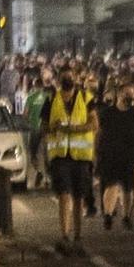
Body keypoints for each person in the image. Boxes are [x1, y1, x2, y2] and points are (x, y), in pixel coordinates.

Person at [44, 68, 97, 256]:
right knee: (64, 195)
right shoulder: (51, 99)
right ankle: (64, 235)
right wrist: (53, 127)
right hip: (60, 156)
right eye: (65, 76)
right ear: (59, 80)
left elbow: (94, 124)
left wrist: (75, 128)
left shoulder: (85, 97)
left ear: (76, 80)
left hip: (81, 156)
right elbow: (44, 127)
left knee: (78, 197)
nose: (68, 79)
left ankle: (78, 236)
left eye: (71, 76)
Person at [94, 77, 134, 230]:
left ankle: (126, 216)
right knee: (111, 185)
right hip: (110, 154)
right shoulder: (107, 113)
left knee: (128, 188)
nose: (129, 98)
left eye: (132, 95)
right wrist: (96, 152)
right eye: (126, 94)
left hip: (130, 154)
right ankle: (108, 215)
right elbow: (99, 133)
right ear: (119, 95)